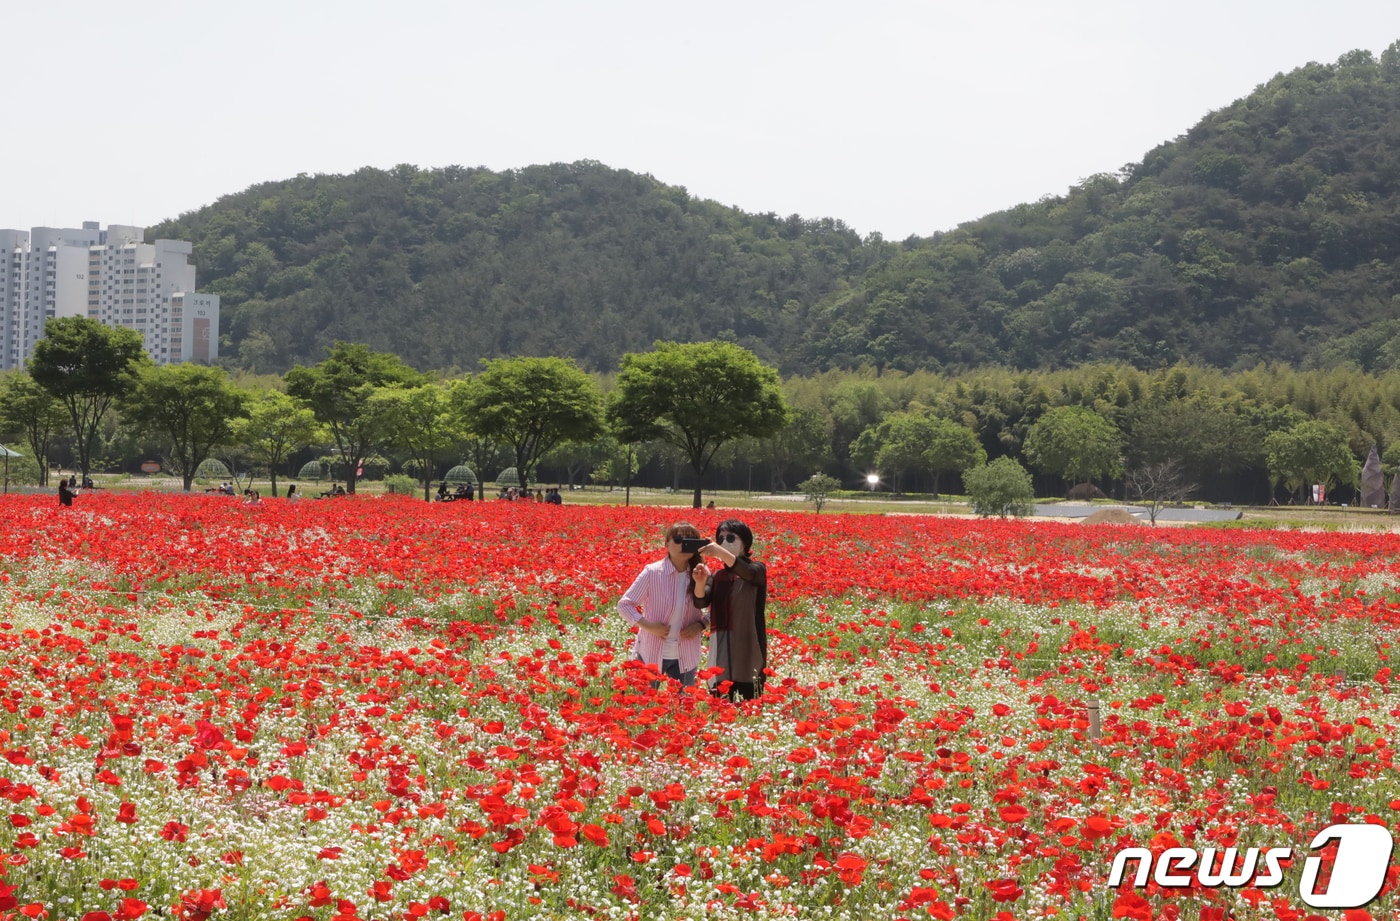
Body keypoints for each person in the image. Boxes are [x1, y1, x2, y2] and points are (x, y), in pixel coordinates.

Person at [618, 522, 711, 689]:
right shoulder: (652, 572)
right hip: (651, 652)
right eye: (677, 539)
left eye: (690, 540)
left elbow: (717, 609)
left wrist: (700, 625)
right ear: (666, 543)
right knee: (644, 705)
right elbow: (624, 605)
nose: (683, 544)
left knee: (682, 707)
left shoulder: (702, 573)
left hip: (686, 655)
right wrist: (649, 626)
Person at [694, 519, 768, 701]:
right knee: (721, 697)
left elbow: (747, 572)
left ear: (745, 543)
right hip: (722, 646)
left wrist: (720, 552)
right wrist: (700, 583)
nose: (724, 541)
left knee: (748, 695)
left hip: (748, 643)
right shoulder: (718, 577)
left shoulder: (757, 569)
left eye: (730, 538)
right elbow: (701, 601)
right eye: (720, 538)